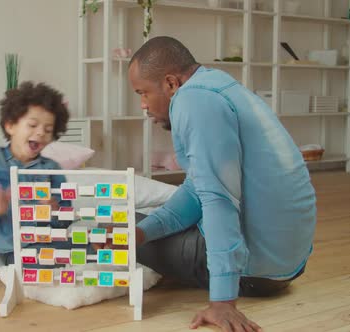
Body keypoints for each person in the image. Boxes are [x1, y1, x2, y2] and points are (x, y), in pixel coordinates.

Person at [128, 36, 316, 332]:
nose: (143, 105)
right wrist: (144, 232)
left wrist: (223, 302)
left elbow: (218, 199)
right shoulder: (218, 86)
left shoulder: (193, 103)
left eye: (143, 93)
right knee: (138, 227)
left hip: (257, 272)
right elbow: (198, 189)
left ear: (170, 83)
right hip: (286, 262)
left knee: (107, 226)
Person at [0, 81, 72, 265]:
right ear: (10, 126)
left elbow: (66, 216)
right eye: (32, 125)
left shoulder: (52, 168)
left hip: (53, 241)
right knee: (40, 261)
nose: (40, 133)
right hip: (17, 248)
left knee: (90, 245)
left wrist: (55, 211)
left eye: (48, 130)